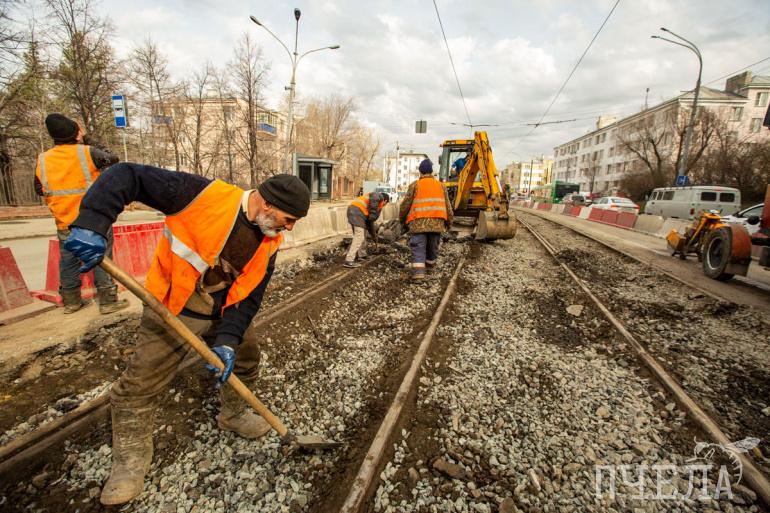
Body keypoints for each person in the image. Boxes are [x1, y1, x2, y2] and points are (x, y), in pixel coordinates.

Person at [62, 163, 310, 505]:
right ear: (268, 203)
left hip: (221, 310)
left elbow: (249, 297)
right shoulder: (199, 195)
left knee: (246, 359)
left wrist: (228, 341)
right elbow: (126, 175)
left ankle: (233, 414)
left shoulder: (269, 242)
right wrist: (92, 223)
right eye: (289, 218)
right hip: (173, 305)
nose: (290, 227)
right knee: (141, 383)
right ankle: (130, 461)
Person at [34, 113, 128, 314]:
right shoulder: (87, 152)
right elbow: (113, 159)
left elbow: (39, 188)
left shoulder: (43, 159)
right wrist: (86, 139)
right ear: (76, 134)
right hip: (94, 218)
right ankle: (108, 301)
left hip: (64, 220)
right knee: (101, 257)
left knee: (68, 261)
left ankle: (71, 302)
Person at [399, 159, 454, 281]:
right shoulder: (441, 186)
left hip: (418, 223)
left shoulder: (415, 185)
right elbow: (448, 206)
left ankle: (418, 274)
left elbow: (405, 205)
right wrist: (449, 223)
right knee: (432, 246)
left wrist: (402, 220)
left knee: (418, 247)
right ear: (432, 171)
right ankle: (430, 267)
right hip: (437, 224)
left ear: (420, 172)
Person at [343, 190, 389, 268]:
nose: (384, 205)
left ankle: (362, 255)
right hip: (357, 212)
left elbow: (370, 223)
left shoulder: (372, 205)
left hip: (355, 211)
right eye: (386, 204)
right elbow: (373, 204)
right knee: (359, 236)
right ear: (385, 201)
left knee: (362, 235)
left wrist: (374, 237)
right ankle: (349, 260)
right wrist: (373, 214)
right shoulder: (377, 196)